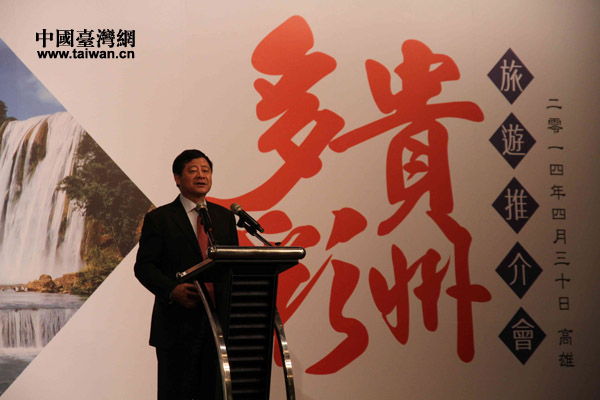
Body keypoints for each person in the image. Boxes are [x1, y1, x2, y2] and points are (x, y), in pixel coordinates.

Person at [135, 149, 238, 400]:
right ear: (177, 178)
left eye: (206, 170)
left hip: (217, 327)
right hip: (176, 326)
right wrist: (172, 290)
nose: (201, 175)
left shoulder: (224, 217)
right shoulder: (160, 218)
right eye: (193, 171)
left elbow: (233, 266)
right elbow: (144, 267)